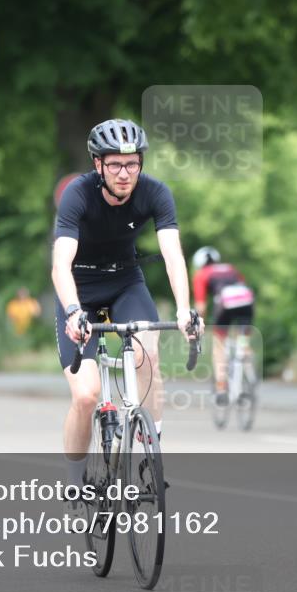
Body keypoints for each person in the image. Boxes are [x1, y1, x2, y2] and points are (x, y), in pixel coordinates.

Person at [52, 118, 201, 489]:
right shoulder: (78, 194)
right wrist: (73, 311)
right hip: (80, 289)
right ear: (97, 164)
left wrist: (184, 309)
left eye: (132, 163)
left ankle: (151, 455)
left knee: (148, 356)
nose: (124, 173)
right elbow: (59, 265)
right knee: (86, 396)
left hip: (124, 283)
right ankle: (75, 478)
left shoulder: (155, 192)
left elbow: (172, 256)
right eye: (115, 164)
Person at [191, 246, 255, 404]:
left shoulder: (202, 274)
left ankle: (221, 387)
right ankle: (245, 352)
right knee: (242, 335)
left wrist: (199, 322)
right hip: (246, 300)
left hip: (226, 303)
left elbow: (201, 306)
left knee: (219, 343)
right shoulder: (230, 268)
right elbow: (242, 286)